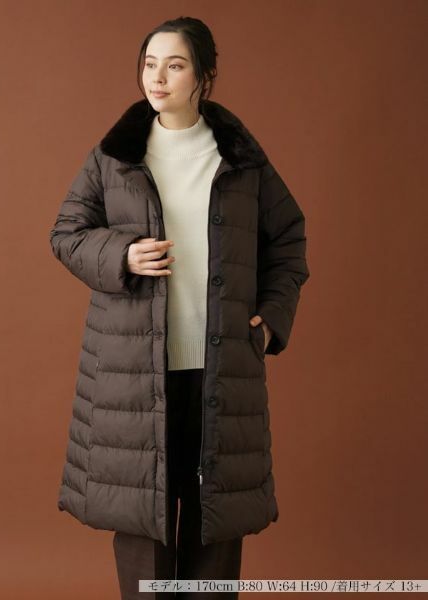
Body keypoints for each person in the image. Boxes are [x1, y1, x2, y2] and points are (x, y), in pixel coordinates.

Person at [50, 16, 310, 600]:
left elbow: (287, 237)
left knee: (214, 522)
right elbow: (65, 233)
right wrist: (121, 254)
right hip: (134, 372)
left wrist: (273, 318)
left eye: (175, 65)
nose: (158, 78)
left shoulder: (240, 159)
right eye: (149, 64)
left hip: (220, 367)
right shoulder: (115, 155)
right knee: (143, 524)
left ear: (204, 76)